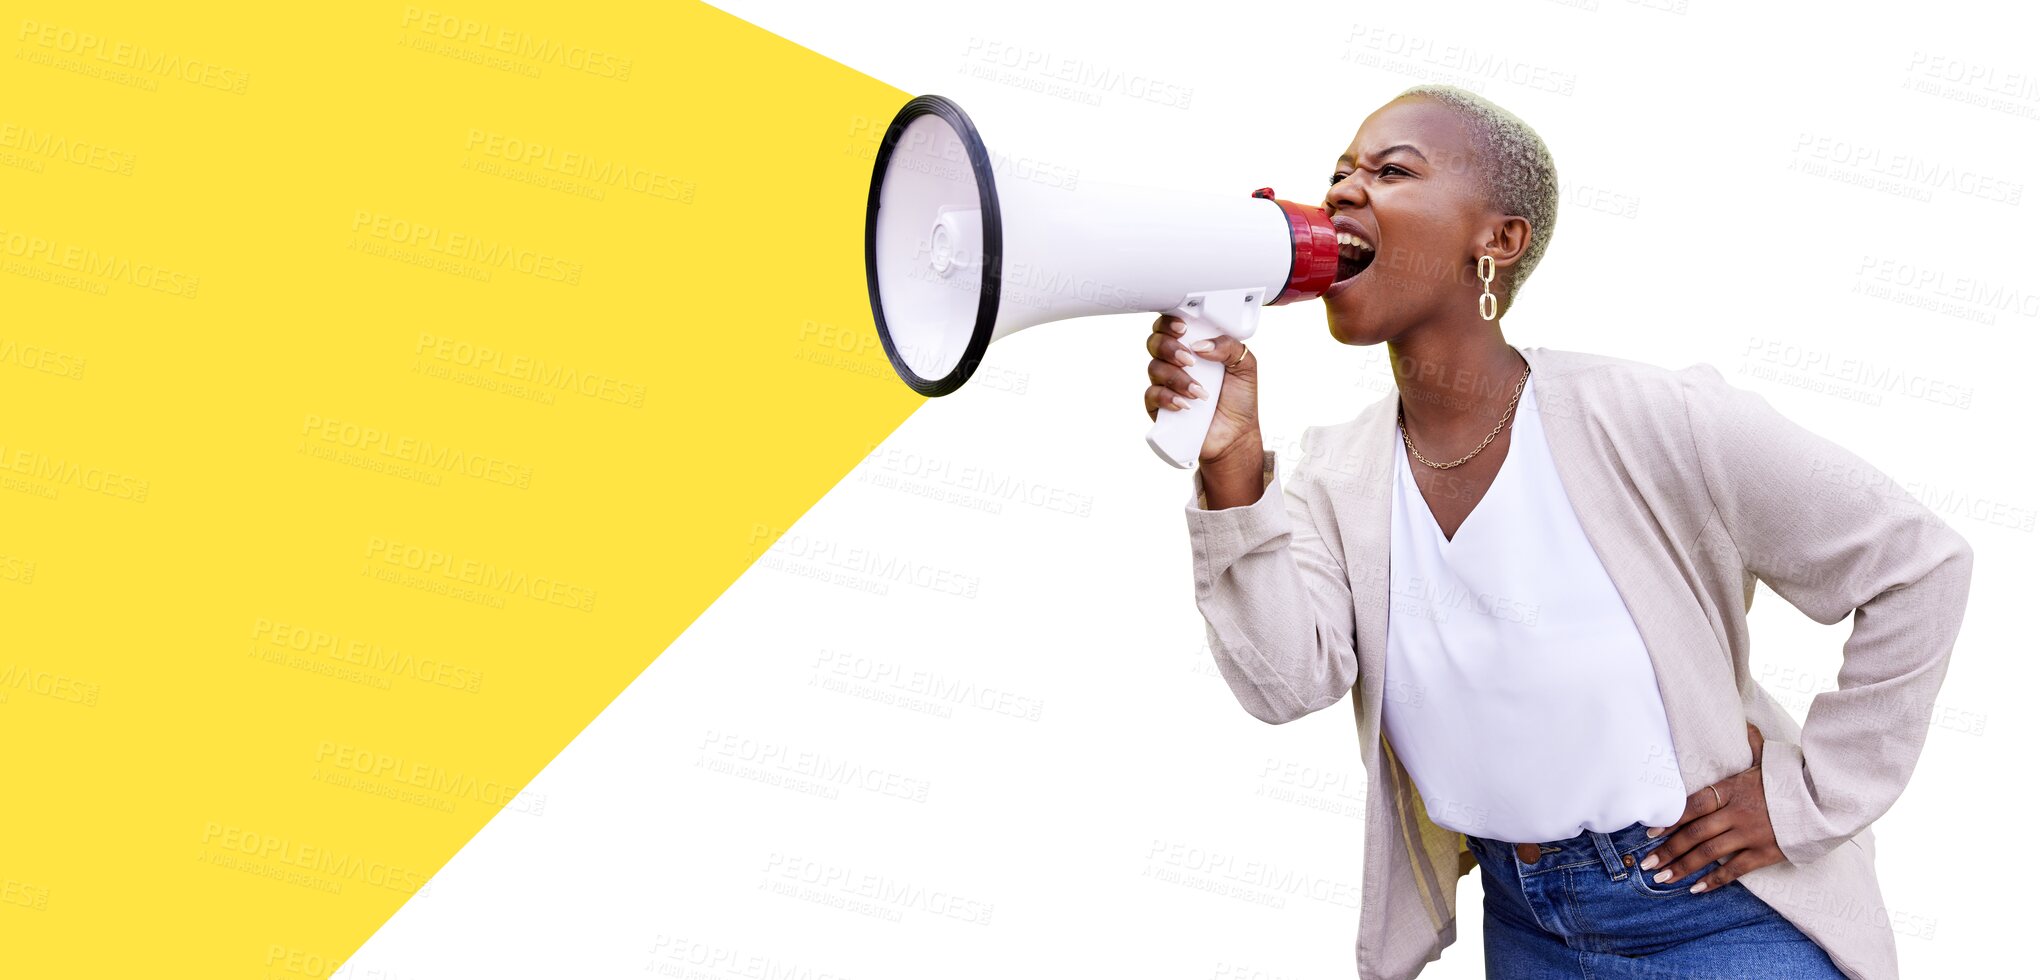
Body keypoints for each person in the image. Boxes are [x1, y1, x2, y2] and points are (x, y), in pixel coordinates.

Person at [1146, 84, 1974, 980]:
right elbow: (1287, 684)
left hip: (1713, 917)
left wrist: (1810, 796)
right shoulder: (1336, 474)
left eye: (1391, 172)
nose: (1343, 191)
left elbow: (1917, 564)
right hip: (1527, 927)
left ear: (1498, 242)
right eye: (1339, 172)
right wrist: (1230, 466)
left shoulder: (1657, 417)